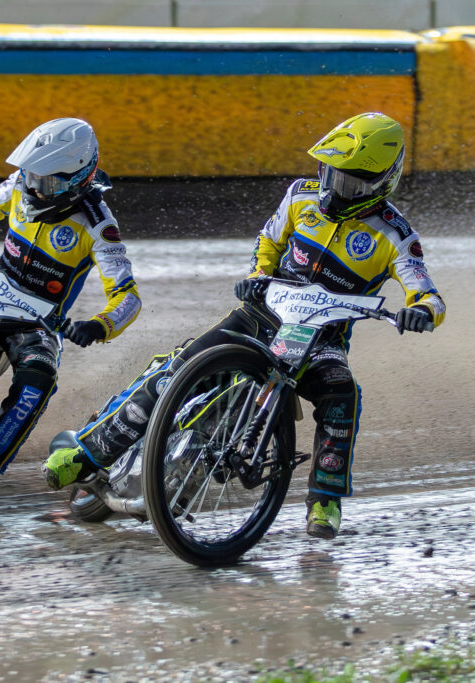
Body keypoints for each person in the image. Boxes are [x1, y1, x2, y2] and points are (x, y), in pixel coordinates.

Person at [43, 112, 445, 539]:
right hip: (260, 314)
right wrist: (259, 274)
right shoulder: (300, 196)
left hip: (320, 341)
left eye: (348, 184)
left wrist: (420, 310)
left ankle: (325, 499)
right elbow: (270, 240)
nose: (333, 190)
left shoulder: (397, 235)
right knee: (177, 369)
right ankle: (88, 453)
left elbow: (428, 292)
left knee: (343, 394)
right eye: (329, 174)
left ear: (382, 182)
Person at [0, 117, 142, 507]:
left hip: (37, 324)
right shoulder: (20, 185)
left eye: (49, 183)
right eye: (31, 176)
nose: (35, 189)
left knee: (37, 384)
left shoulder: (99, 226)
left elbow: (128, 298)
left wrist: (99, 326)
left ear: (80, 178)